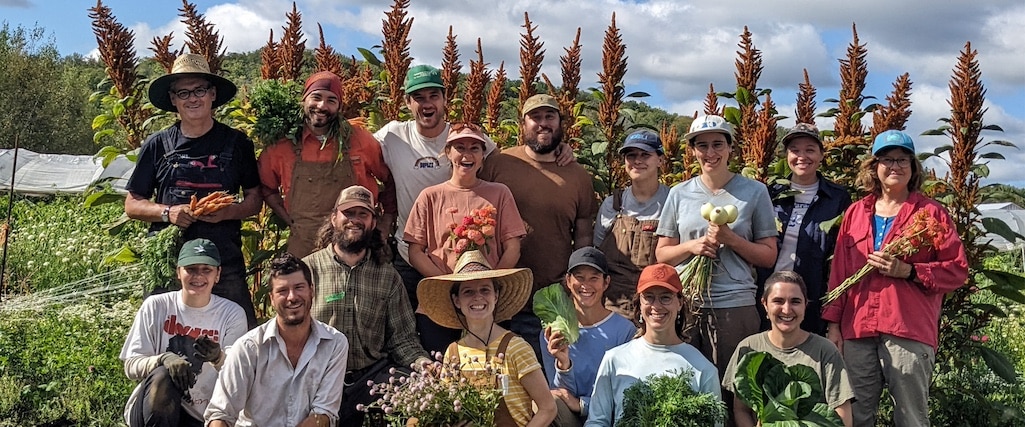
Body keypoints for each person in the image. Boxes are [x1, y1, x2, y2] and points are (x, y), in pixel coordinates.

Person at [374, 66, 574, 311]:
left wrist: (557, 150)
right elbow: (358, 153)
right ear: (407, 102)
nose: (427, 104)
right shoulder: (392, 135)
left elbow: (508, 163)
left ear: (445, 99)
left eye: (434, 96)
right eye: (419, 97)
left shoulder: (461, 134)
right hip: (413, 255)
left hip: (476, 270)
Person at [823, 130, 967, 426]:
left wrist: (910, 271)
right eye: (887, 160)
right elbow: (840, 273)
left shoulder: (931, 213)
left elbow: (957, 270)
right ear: (874, 167)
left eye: (903, 159)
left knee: (910, 416)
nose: (895, 166)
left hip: (907, 327)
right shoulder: (856, 212)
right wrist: (833, 325)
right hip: (858, 328)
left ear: (913, 168)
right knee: (856, 414)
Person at [654, 115, 776, 425]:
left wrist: (731, 239)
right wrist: (691, 247)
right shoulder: (679, 193)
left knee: (734, 394)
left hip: (734, 307)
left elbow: (768, 256)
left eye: (718, 144)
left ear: (731, 148)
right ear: (692, 151)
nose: (710, 153)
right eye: (702, 145)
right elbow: (662, 254)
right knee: (684, 391)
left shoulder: (754, 192)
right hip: (686, 305)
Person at [125, 53, 262, 328]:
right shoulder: (158, 144)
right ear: (173, 99)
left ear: (212, 94)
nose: (192, 98)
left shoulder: (237, 144)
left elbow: (255, 200)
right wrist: (168, 213)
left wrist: (227, 213)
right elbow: (132, 204)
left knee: (241, 333)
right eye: (183, 92)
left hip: (224, 262)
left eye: (199, 90)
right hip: (170, 261)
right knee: (160, 331)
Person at [480, 93, 598, 361]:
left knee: (545, 378)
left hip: (551, 296)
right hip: (498, 292)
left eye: (549, 116)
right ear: (523, 124)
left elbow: (583, 234)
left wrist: (575, 282)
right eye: (535, 117)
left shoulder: (578, 176)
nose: (542, 123)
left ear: (561, 123)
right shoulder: (499, 164)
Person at [303, 185, 430, 426]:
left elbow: (402, 338)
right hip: (317, 381)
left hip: (371, 382)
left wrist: (424, 365)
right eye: (348, 213)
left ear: (373, 223)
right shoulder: (308, 270)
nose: (355, 220)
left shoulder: (388, 276)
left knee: (421, 396)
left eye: (363, 214)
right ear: (334, 218)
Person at [404, 123, 527, 354]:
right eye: (459, 147)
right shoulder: (430, 196)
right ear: (448, 153)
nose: (466, 155)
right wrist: (447, 285)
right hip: (439, 305)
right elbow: (415, 251)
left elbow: (512, 246)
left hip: (487, 302)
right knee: (442, 376)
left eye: (475, 148)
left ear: (482, 157)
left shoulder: (499, 193)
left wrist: (490, 284)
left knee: (493, 372)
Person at [258, 70, 394, 258]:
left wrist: (384, 225)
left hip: (357, 246)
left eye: (331, 100)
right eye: (316, 97)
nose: (322, 106)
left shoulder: (359, 139)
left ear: (339, 107)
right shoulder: (282, 146)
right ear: (304, 99)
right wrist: (289, 219)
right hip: (305, 247)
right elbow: (266, 188)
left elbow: (390, 180)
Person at [204, 253, 349, 426]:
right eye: (282, 291)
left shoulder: (335, 343)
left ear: (312, 291)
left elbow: (323, 414)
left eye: (299, 287)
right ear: (272, 299)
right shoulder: (248, 348)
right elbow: (220, 414)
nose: (292, 297)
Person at [418, 250, 557, 427]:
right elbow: (450, 412)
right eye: (468, 292)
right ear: (456, 300)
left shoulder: (516, 347)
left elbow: (548, 408)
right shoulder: (453, 353)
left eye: (485, 290)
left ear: (496, 296)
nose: (478, 297)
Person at [120, 238, 248, 427]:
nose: (198, 276)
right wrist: (162, 359)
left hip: (203, 414)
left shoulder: (232, 313)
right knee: (164, 375)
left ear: (218, 274)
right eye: (191, 269)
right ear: (178, 272)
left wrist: (218, 357)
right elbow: (131, 365)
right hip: (152, 409)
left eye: (206, 270)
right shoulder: (156, 306)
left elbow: (239, 374)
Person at [585, 263, 720, 427]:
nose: (656, 306)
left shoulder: (702, 368)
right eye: (649, 297)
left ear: (679, 302)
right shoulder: (614, 359)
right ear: (639, 303)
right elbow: (597, 421)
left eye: (665, 297)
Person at [722, 271, 854, 427]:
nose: (786, 309)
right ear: (764, 304)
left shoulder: (825, 351)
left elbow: (841, 413)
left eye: (795, 301)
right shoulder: (748, 348)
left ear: (806, 305)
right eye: (778, 301)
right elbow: (741, 410)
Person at [756, 123, 851, 334]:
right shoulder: (770, 193)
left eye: (809, 150)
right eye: (795, 150)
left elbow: (840, 254)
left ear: (821, 154)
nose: (802, 156)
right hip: (768, 294)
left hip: (811, 296)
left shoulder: (837, 198)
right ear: (786, 155)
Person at [541, 247, 636, 427]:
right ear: (568, 281)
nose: (586, 285)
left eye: (594, 278)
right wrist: (563, 364)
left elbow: (624, 395)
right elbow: (560, 394)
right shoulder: (552, 331)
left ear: (606, 283)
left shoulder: (625, 331)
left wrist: (582, 405)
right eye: (580, 277)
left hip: (611, 419)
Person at [594, 129, 670, 319]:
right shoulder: (612, 204)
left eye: (645, 155)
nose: (637, 160)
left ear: (660, 160)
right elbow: (597, 256)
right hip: (613, 306)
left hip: (657, 307)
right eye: (631, 155)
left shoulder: (673, 202)